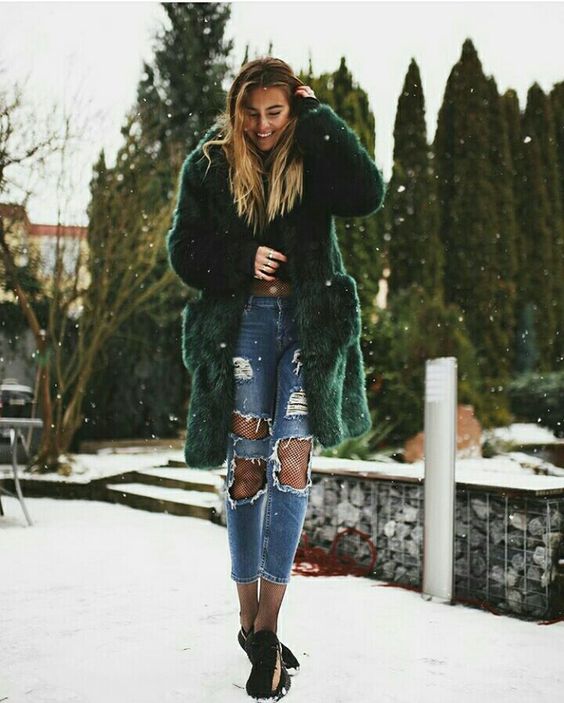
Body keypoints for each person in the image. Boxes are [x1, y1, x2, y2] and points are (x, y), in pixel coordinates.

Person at [166, 57, 385, 701]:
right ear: (236, 109)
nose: (262, 126)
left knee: (292, 468)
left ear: (292, 108)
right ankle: (249, 624)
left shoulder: (313, 154)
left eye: (276, 112)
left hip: (306, 329)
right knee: (247, 471)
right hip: (245, 328)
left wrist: (318, 116)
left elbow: (367, 192)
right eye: (252, 113)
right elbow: (183, 250)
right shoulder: (209, 165)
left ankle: (268, 626)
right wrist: (241, 258)